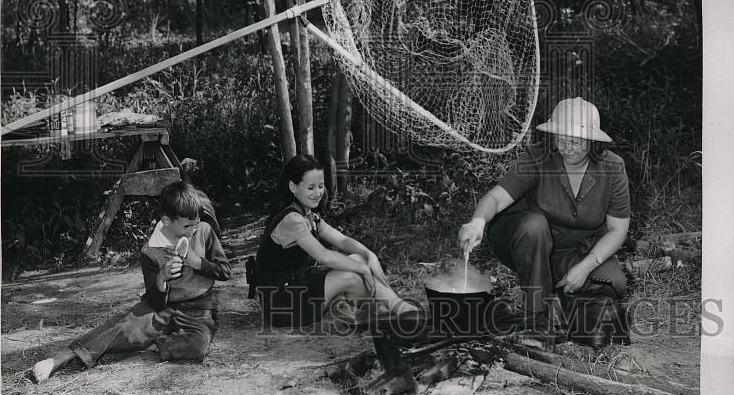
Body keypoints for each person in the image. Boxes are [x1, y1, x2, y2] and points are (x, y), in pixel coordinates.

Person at [458, 98, 631, 348]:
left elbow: (618, 230)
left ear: (592, 141)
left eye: (575, 142)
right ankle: (537, 320)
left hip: (579, 249)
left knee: (614, 282)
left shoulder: (613, 167)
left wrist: (583, 269)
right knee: (534, 224)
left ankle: (562, 304)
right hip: (529, 241)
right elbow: (496, 198)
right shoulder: (537, 157)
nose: (566, 148)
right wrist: (477, 222)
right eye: (560, 139)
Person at [32, 180, 230, 382]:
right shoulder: (151, 251)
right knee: (122, 327)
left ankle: (158, 343)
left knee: (198, 345)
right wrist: (162, 278)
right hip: (163, 309)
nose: (192, 230)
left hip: (198, 311)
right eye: (187, 226)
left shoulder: (204, 231)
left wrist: (197, 263)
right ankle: (63, 357)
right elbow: (155, 302)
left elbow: (224, 271)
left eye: (195, 223)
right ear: (167, 221)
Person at [252, 153, 417, 330]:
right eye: (310, 188)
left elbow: (343, 241)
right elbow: (324, 256)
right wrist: (363, 269)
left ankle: (392, 309)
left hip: (296, 288)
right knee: (350, 275)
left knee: (357, 259)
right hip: (283, 305)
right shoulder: (291, 220)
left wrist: (370, 256)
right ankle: (389, 310)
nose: (318, 193)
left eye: (321, 186)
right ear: (293, 186)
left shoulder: (308, 215)